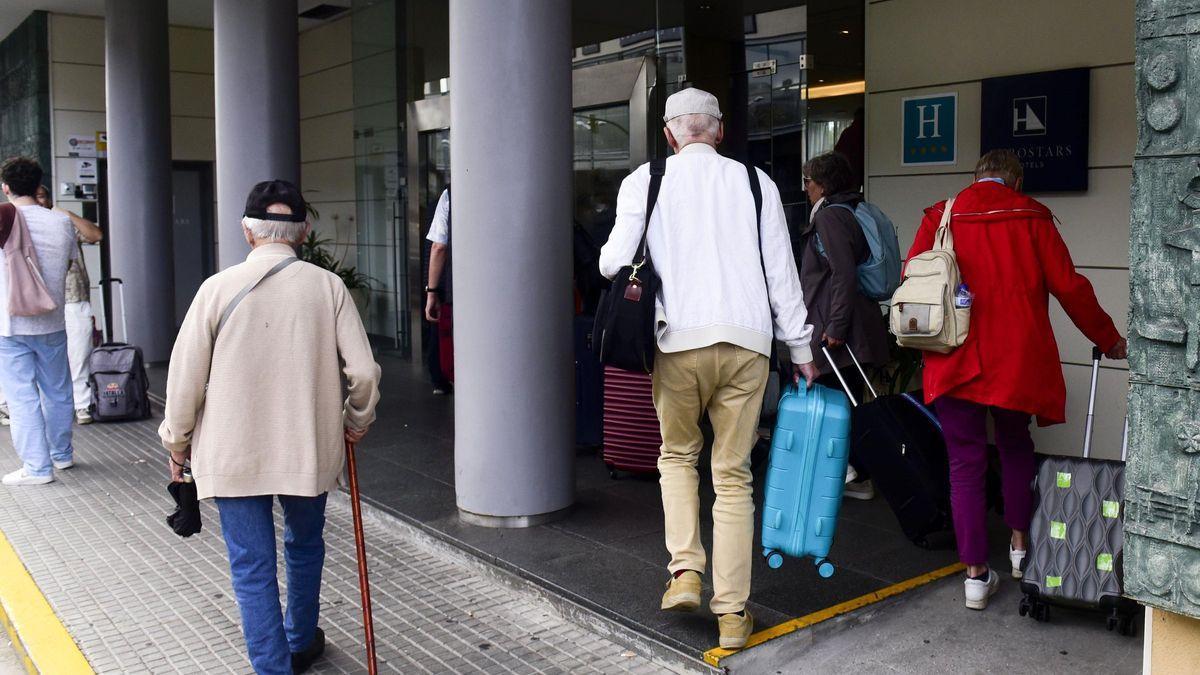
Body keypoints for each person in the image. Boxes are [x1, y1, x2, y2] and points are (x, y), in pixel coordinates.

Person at [599, 88, 818, 650]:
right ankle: (733, 613)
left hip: (679, 342)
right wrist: (800, 349)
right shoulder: (755, 182)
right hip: (748, 343)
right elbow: (781, 275)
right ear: (718, 131)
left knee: (677, 455)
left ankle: (686, 570)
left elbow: (610, 263)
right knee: (734, 475)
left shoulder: (645, 181)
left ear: (670, 134)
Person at [159, 180, 381, 673]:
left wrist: (177, 446)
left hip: (233, 454)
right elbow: (363, 374)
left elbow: (184, 382)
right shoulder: (328, 288)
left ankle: (272, 666)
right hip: (308, 450)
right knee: (304, 546)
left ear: (247, 232)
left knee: (251, 566)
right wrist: (355, 422)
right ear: (303, 230)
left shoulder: (215, 290)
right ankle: (300, 639)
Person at [907, 149, 1127, 611]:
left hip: (953, 356)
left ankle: (974, 577)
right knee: (1014, 447)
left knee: (964, 463)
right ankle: (1020, 549)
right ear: (1017, 181)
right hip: (1016, 360)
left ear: (976, 177)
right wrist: (1108, 339)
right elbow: (1071, 288)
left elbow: (913, 278)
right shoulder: (1033, 218)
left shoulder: (941, 216)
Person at [799, 151, 890, 500]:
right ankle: (853, 471)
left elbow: (842, 273)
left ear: (822, 184)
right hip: (853, 326)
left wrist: (835, 326)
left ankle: (851, 473)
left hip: (837, 329)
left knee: (833, 401)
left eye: (809, 181)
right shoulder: (851, 210)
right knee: (845, 399)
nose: (806, 188)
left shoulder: (830, 218)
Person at [0, 157, 78, 485]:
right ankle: (61, 454)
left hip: (11, 324)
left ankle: (37, 468)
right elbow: (70, 263)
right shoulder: (60, 222)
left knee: (21, 396)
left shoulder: (3, 219)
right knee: (58, 389)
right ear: (37, 186)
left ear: (5, 187)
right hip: (53, 320)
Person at [35, 185, 102, 425]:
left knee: (79, 354)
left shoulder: (63, 222)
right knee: (44, 359)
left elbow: (95, 235)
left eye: (42, 196)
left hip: (74, 297)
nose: (39, 201)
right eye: (35, 197)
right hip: (40, 302)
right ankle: (45, 409)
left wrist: (65, 213)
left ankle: (82, 405)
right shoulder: (24, 223)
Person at [423, 186, 452, 395]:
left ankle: (442, 380)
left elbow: (438, 247)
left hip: (455, 286)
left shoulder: (448, 195)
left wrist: (431, 291)